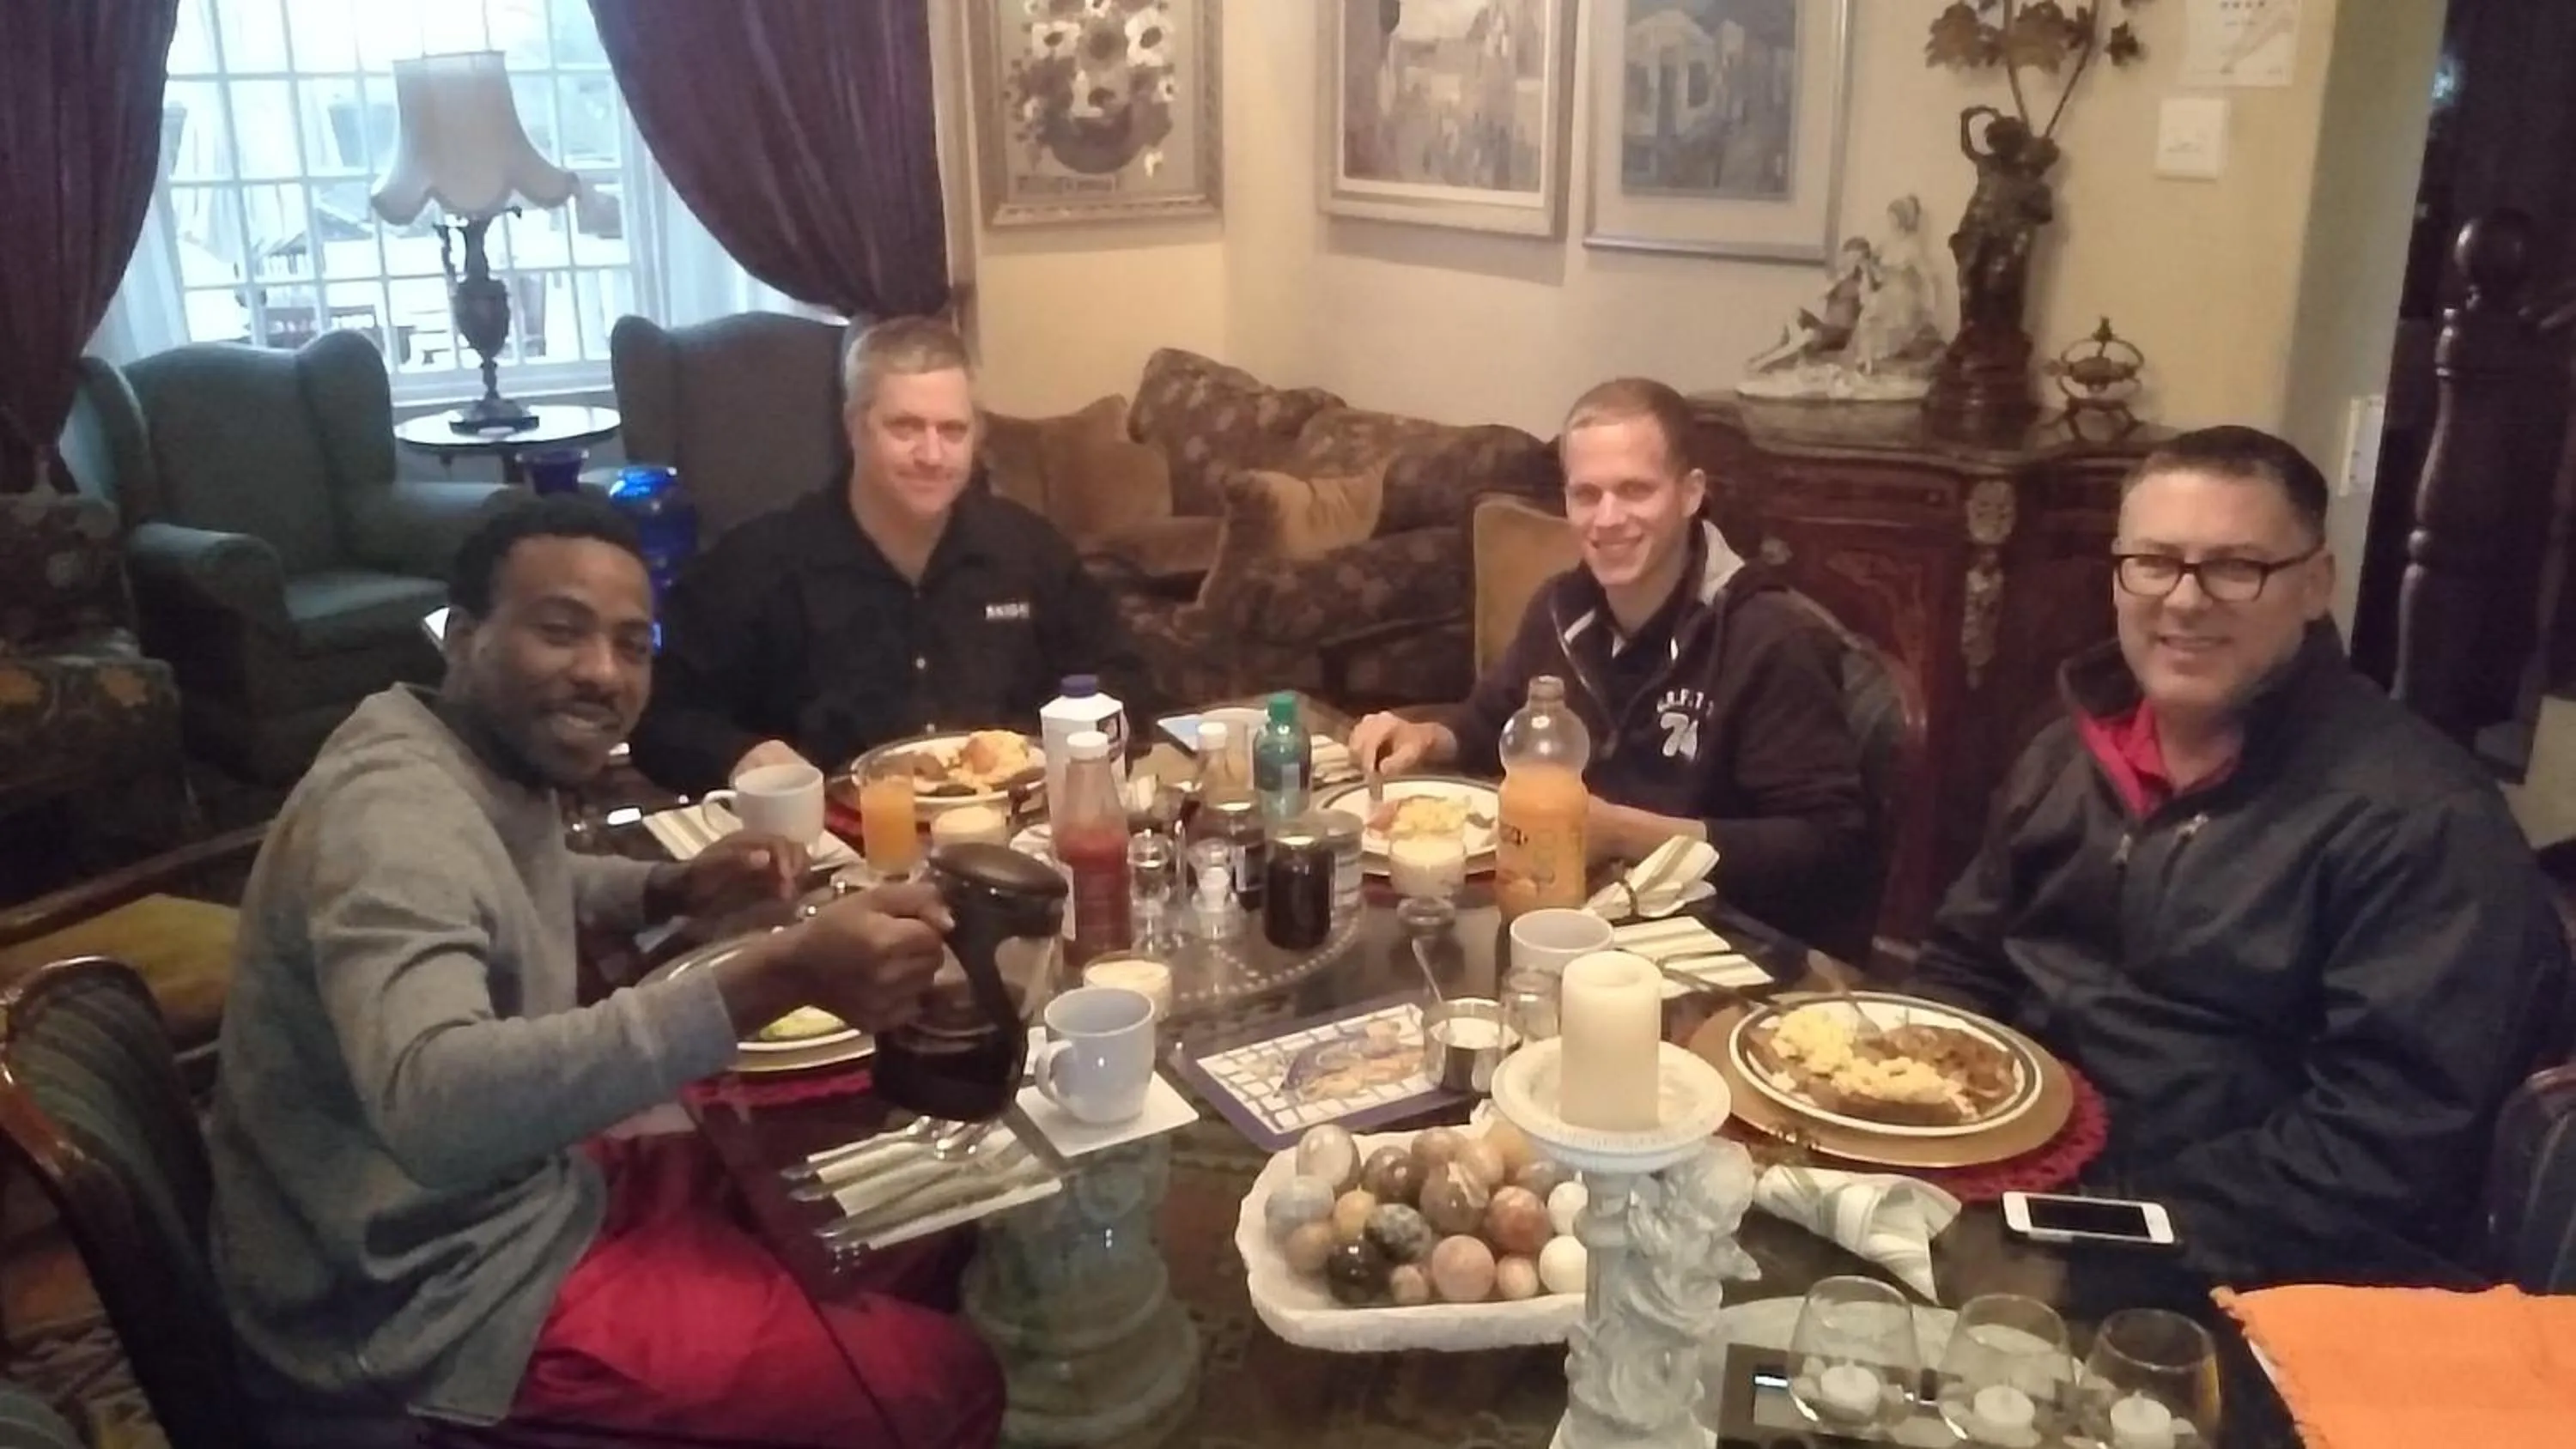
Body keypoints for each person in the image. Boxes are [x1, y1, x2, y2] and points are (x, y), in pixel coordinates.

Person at [206, 494, 1002, 1446]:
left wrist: (664, 888)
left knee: (910, 1222)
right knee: (944, 1383)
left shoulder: (455, 752)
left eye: (632, 644)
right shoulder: (390, 819)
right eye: (560, 630)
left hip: (528, 1197)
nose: (602, 672)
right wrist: (773, 974)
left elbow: (504, 876)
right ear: (462, 634)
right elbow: (436, 1104)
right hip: (430, 1302)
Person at [1913, 425, 2573, 1287]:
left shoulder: (2423, 820)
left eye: (2235, 566)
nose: (2184, 600)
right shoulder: (2065, 752)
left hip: (2241, 1261)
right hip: (2016, 1185)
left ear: (2315, 584)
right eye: (2154, 561)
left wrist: (2087, 1233)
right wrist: (1903, 1123)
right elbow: (1963, 964)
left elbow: (2381, 1148)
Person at [1346, 378, 1871, 958]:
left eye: (1635, 490)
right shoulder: (1560, 606)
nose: (1608, 518)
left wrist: (1623, 831)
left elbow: (1828, 849)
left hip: (1721, 940)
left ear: (1691, 492)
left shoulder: (1771, 637)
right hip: (1572, 913)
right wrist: (1426, 736)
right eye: (1586, 495)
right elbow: (1492, 720)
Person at [629, 315, 1151, 794]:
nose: (931, 455)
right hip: (830, 849)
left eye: (953, 431)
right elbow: (660, 719)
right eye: (905, 427)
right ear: (856, 427)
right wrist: (737, 754)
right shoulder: (757, 565)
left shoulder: (1028, 550)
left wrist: (1071, 736)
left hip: (1019, 831)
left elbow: (1124, 672)